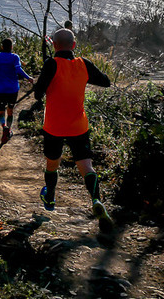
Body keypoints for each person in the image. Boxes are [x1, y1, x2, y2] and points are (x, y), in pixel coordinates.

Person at [34, 28, 113, 232]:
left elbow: (37, 94)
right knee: (86, 166)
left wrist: (40, 86)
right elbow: (105, 81)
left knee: (52, 163)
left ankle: (50, 197)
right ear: (74, 46)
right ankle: (96, 199)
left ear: (54, 45)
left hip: (54, 126)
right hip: (79, 126)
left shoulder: (51, 64)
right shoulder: (83, 64)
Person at [0, 38, 34, 144]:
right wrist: (28, 78)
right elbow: (18, 69)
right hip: (13, 89)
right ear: (11, 47)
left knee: (1, 112)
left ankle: (4, 126)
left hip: (0, 89)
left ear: (2, 47)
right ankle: (9, 129)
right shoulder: (15, 57)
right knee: (10, 111)